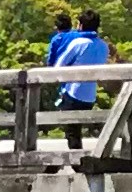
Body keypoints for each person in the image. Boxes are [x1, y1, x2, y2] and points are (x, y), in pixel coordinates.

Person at [43, 9, 111, 149]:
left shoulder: (78, 43)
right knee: (76, 131)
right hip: (90, 95)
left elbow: (58, 66)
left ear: (80, 25)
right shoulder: (103, 46)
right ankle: (82, 161)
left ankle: (78, 164)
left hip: (73, 93)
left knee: (72, 132)